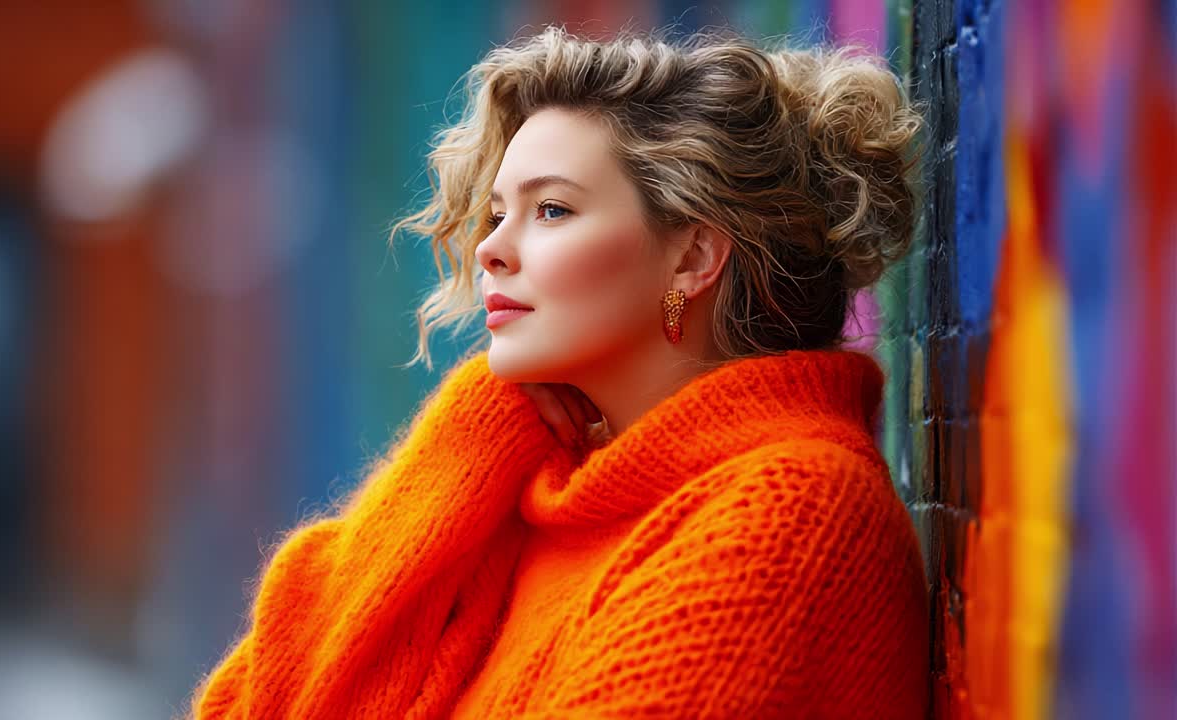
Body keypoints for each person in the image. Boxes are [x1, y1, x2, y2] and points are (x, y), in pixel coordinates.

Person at [187, 25, 929, 719]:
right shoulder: (527, 501)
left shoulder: (790, 517)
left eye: (550, 210)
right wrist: (468, 441)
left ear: (695, 257)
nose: (490, 250)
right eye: (496, 214)